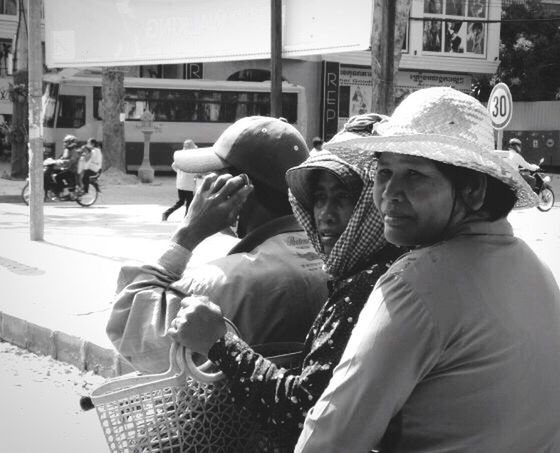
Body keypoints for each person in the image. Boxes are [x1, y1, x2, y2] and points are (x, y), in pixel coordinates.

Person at [295, 87, 560, 452]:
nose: (389, 193)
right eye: (384, 172)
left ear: (472, 189)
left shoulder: (415, 281)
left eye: (414, 175)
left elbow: (329, 440)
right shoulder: (534, 268)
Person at [167, 114, 405, 450]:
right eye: (319, 197)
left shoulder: (368, 283)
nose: (325, 214)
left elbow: (304, 409)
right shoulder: (354, 270)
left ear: (372, 201)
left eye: (343, 198)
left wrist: (220, 341)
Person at [106, 116, 328, 373]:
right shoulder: (333, 262)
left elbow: (130, 333)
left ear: (237, 189)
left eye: (210, 179)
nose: (201, 189)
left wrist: (187, 234)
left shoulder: (216, 285)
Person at [162, 139, 197, 221]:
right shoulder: (190, 158)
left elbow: (173, 165)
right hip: (188, 185)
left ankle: (167, 213)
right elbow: (190, 171)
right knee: (189, 202)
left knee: (181, 201)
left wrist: (179, 172)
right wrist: (196, 175)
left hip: (180, 184)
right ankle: (186, 218)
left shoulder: (180, 156)